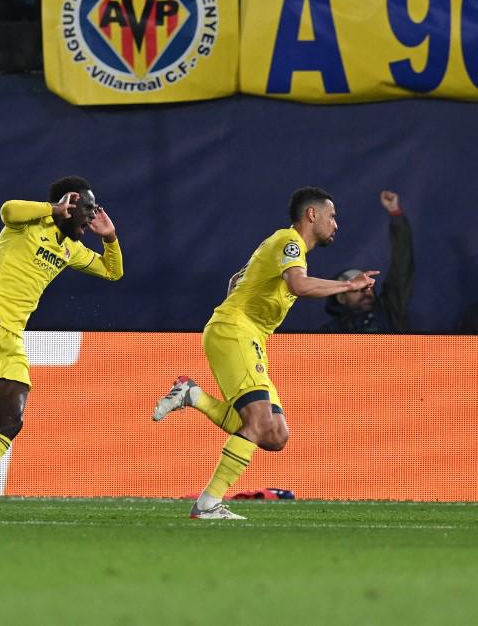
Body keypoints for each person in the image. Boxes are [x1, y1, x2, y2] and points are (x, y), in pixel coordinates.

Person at [153, 187, 377, 520]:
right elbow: (299, 285)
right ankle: (208, 504)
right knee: (258, 422)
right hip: (235, 332)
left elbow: (236, 280)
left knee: (274, 435)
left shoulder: (282, 247)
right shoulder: (290, 243)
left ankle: (193, 396)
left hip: (247, 336)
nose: (336, 224)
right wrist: (349, 286)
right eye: (331, 216)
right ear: (312, 214)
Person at [0, 176, 123, 514]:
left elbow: (113, 272)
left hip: (12, 337)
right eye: (88, 208)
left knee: (11, 420)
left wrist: (110, 237)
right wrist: (53, 209)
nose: (91, 217)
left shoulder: (70, 249)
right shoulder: (28, 224)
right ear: (69, 203)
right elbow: (7, 210)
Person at [321, 190, 413, 332]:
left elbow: (402, 264)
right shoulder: (328, 333)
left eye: (368, 286)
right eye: (358, 288)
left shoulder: (390, 312)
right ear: (341, 298)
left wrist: (396, 215)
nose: (367, 292)